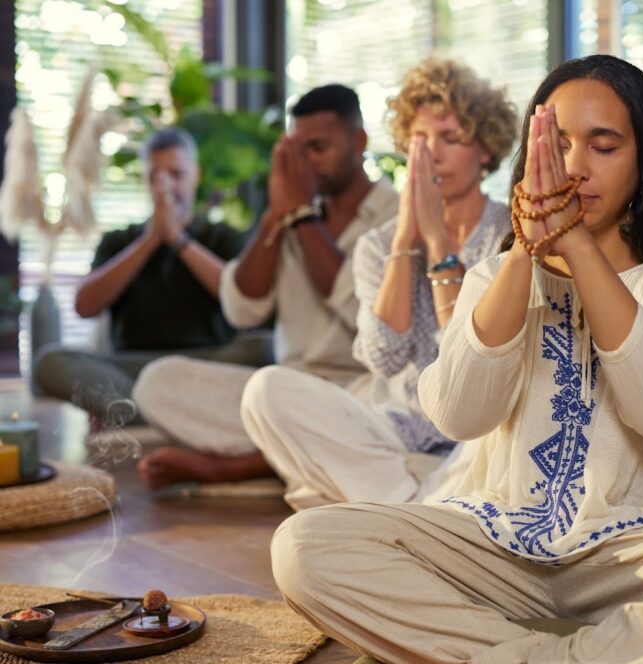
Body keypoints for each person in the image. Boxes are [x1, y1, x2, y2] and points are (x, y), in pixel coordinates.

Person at [268, 55, 643, 664]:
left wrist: (577, 246)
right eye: (557, 145)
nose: (575, 167)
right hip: (500, 544)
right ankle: (582, 652)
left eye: (603, 146)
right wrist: (522, 256)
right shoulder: (495, 275)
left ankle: (507, 651)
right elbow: (457, 415)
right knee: (305, 545)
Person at [239, 58, 518, 509]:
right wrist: (406, 239)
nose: (432, 155)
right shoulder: (378, 244)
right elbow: (384, 357)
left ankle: (383, 506)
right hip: (395, 431)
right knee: (265, 391)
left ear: (485, 150)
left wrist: (438, 242)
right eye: (420, 139)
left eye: (451, 138)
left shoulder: (511, 235)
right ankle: (415, 507)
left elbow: (472, 370)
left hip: (472, 439)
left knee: (511, 429)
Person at [132, 84, 399, 491]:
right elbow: (243, 309)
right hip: (282, 394)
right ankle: (295, 459)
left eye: (318, 148)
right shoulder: (291, 209)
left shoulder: (397, 215)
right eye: (297, 150)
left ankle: (233, 468)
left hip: (359, 393)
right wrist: (277, 214)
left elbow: (362, 309)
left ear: (358, 142)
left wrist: (303, 216)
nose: (306, 163)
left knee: (394, 412)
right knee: (158, 383)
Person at [34, 127, 253, 424]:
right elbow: (84, 306)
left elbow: (243, 301)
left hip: (206, 364)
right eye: (155, 176)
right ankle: (164, 414)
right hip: (135, 368)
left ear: (196, 175)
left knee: (265, 348)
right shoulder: (119, 240)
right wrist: (150, 240)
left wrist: (178, 240)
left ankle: (143, 414)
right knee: (50, 362)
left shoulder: (222, 236)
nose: (166, 186)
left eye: (176, 174)